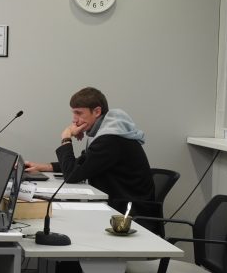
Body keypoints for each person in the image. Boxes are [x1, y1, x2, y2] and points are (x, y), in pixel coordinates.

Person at [25, 87, 156, 217]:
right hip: (118, 205)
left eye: (79, 113)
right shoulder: (106, 131)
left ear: (97, 111)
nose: (74, 120)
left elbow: (72, 175)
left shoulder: (110, 139)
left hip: (128, 214)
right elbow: (83, 163)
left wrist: (66, 138)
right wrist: (45, 167)